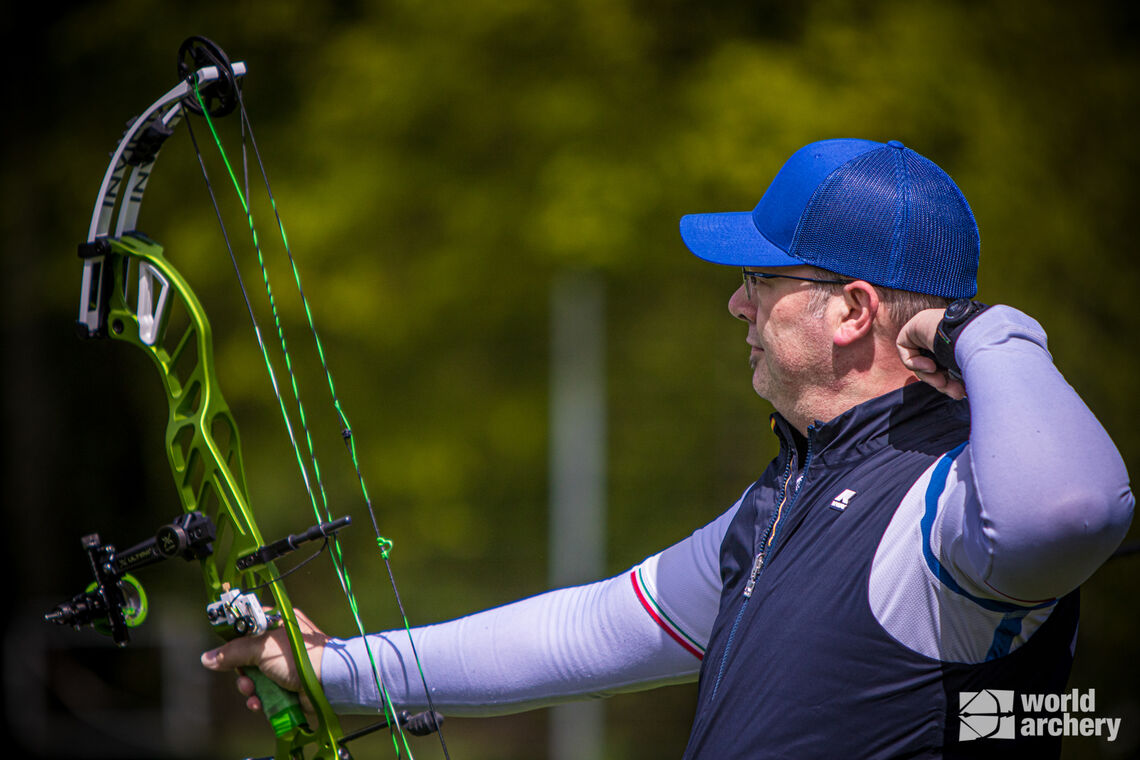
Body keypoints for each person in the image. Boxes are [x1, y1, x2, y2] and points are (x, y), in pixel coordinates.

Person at [202, 138, 1134, 758]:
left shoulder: (950, 507)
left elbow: (1069, 510)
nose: (738, 304)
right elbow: (585, 632)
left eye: (763, 280)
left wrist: (987, 333)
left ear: (851, 310)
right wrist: (337, 670)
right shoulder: (781, 504)